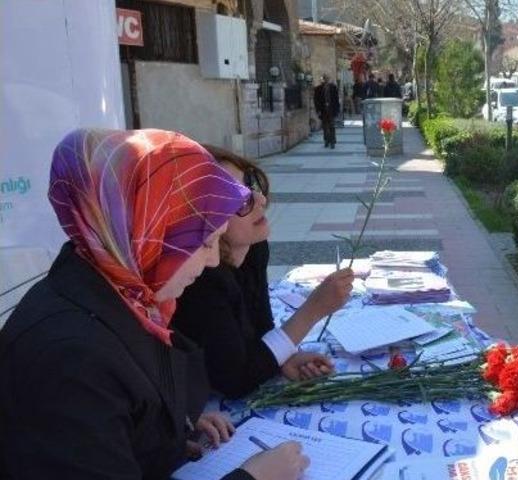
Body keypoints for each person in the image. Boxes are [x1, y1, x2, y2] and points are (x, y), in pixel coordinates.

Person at [0, 129, 310, 480]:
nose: (211, 261)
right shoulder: (70, 358)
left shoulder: (126, 294)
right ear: (146, 234)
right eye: (205, 241)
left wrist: (165, 433)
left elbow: (126, 413)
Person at [173, 146, 354, 399]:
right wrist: (312, 310)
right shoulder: (201, 278)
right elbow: (235, 380)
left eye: (251, 184)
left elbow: (261, 331)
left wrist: (284, 358)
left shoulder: (254, 248)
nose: (260, 200)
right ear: (204, 218)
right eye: (237, 199)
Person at [313, 73, 340, 149]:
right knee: (325, 127)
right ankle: (326, 140)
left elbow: (336, 99)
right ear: (323, 80)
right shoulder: (318, 89)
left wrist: (337, 110)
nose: (325, 80)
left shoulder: (333, 88)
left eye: (327, 79)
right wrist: (318, 110)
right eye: (324, 79)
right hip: (323, 110)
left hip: (331, 110)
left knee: (332, 126)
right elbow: (316, 101)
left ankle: (332, 141)